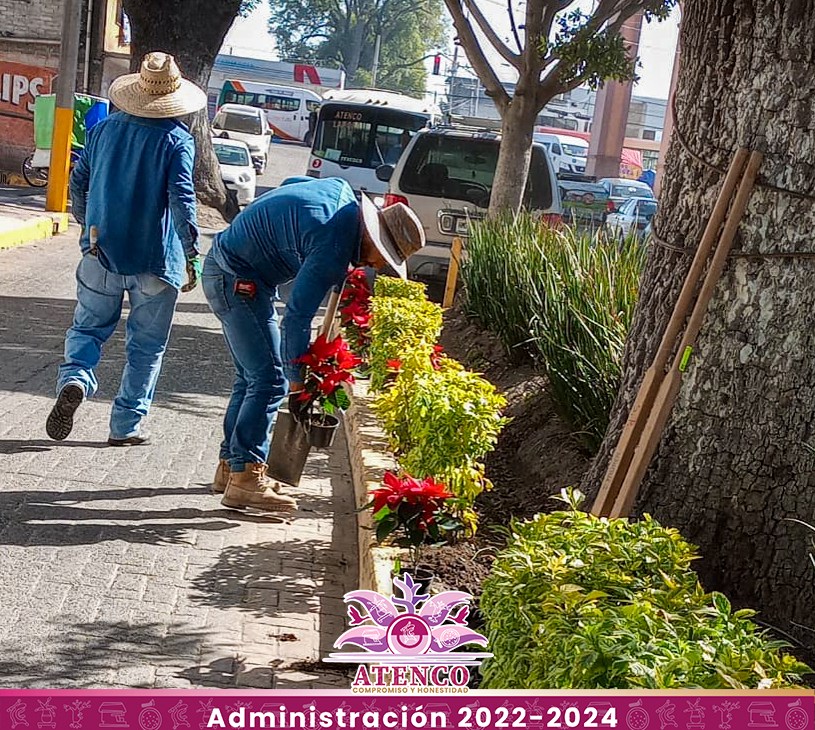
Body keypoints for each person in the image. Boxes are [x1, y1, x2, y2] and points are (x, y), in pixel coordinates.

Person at [204, 177, 425, 513]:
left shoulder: (339, 193)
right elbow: (295, 318)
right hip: (235, 278)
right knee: (269, 380)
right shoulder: (332, 249)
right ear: (371, 234)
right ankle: (246, 478)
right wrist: (296, 381)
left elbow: (293, 184)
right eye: (381, 255)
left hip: (232, 267)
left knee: (252, 377)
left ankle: (231, 468)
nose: (376, 266)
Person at [46, 52, 206, 446]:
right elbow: (182, 199)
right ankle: (126, 426)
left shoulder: (102, 131)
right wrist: (191, 254)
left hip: (101, 250)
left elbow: (78, 182)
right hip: (155, 260)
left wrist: (88, 228)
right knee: (147, 347)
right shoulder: (176, 140)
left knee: (87, 327)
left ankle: (76, 380)